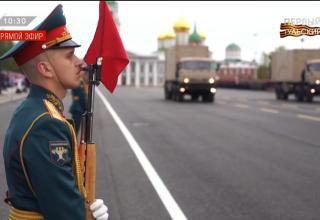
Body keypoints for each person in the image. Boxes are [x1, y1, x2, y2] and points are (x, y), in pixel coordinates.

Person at [1, 5, 108, 220]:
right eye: (70, 56)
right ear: (46, 69)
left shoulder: (35, 110)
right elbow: (65, 214)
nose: (79, 62)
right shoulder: (46, 124)